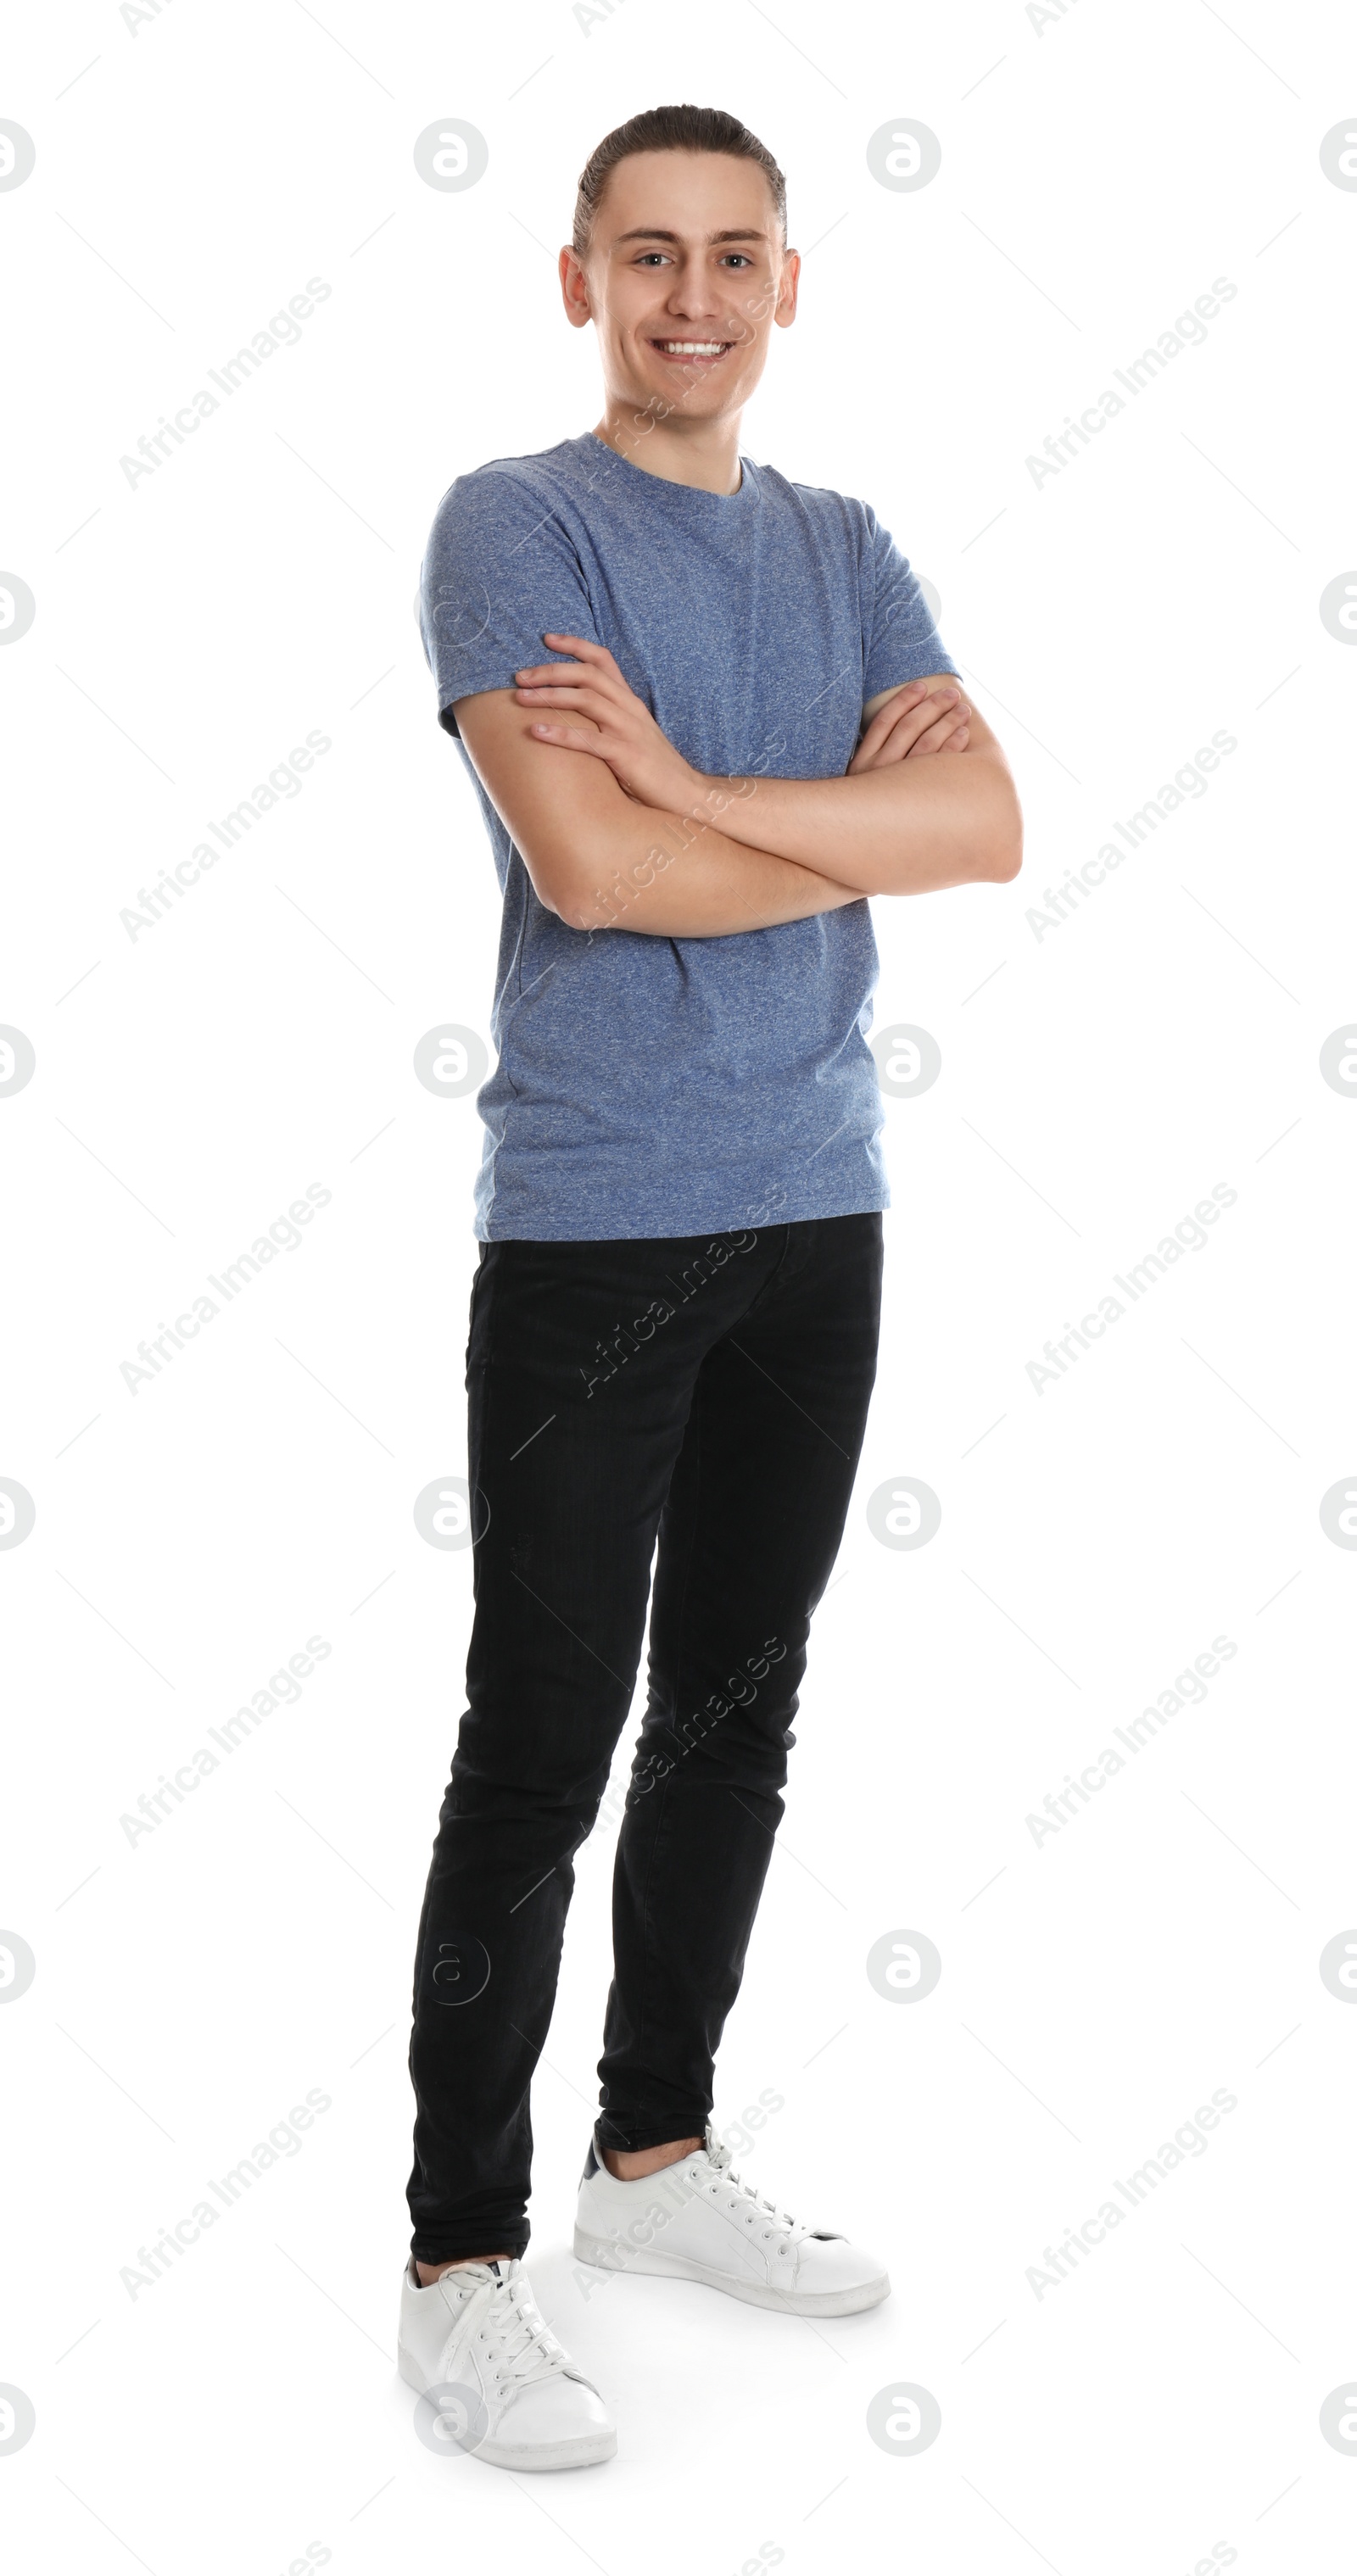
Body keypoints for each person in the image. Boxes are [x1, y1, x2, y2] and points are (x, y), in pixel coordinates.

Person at [398, 102, 1022, 2473]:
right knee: (542, 1737)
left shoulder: (845, 545)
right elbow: (592, 864)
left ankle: (650, 2161)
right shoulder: (515, 527)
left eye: (733, 255)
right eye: (645, 254)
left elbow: (986, 826)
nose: (690, 295)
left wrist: (691, 784)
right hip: (593, 1222)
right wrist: (763, 821)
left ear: (788, 287)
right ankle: (464, 2257)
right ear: (579, 283)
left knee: (738, 1710)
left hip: (818, 1208)